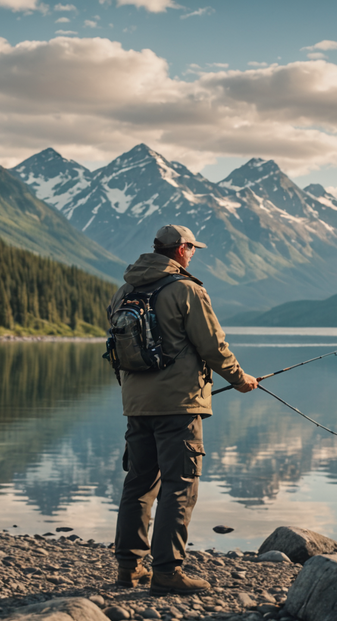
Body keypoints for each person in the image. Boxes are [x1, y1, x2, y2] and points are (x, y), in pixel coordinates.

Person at [110, 224, 258, 595]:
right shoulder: (186, 290)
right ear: (179, 250)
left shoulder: (124, 290)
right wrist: (240, 379)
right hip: (178, 406)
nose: (193, 254)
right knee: (180, 487)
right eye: (192, 248)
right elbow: (213, 345)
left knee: (139, 484)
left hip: (137, 404)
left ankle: (129, 568)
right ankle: (167, 572)